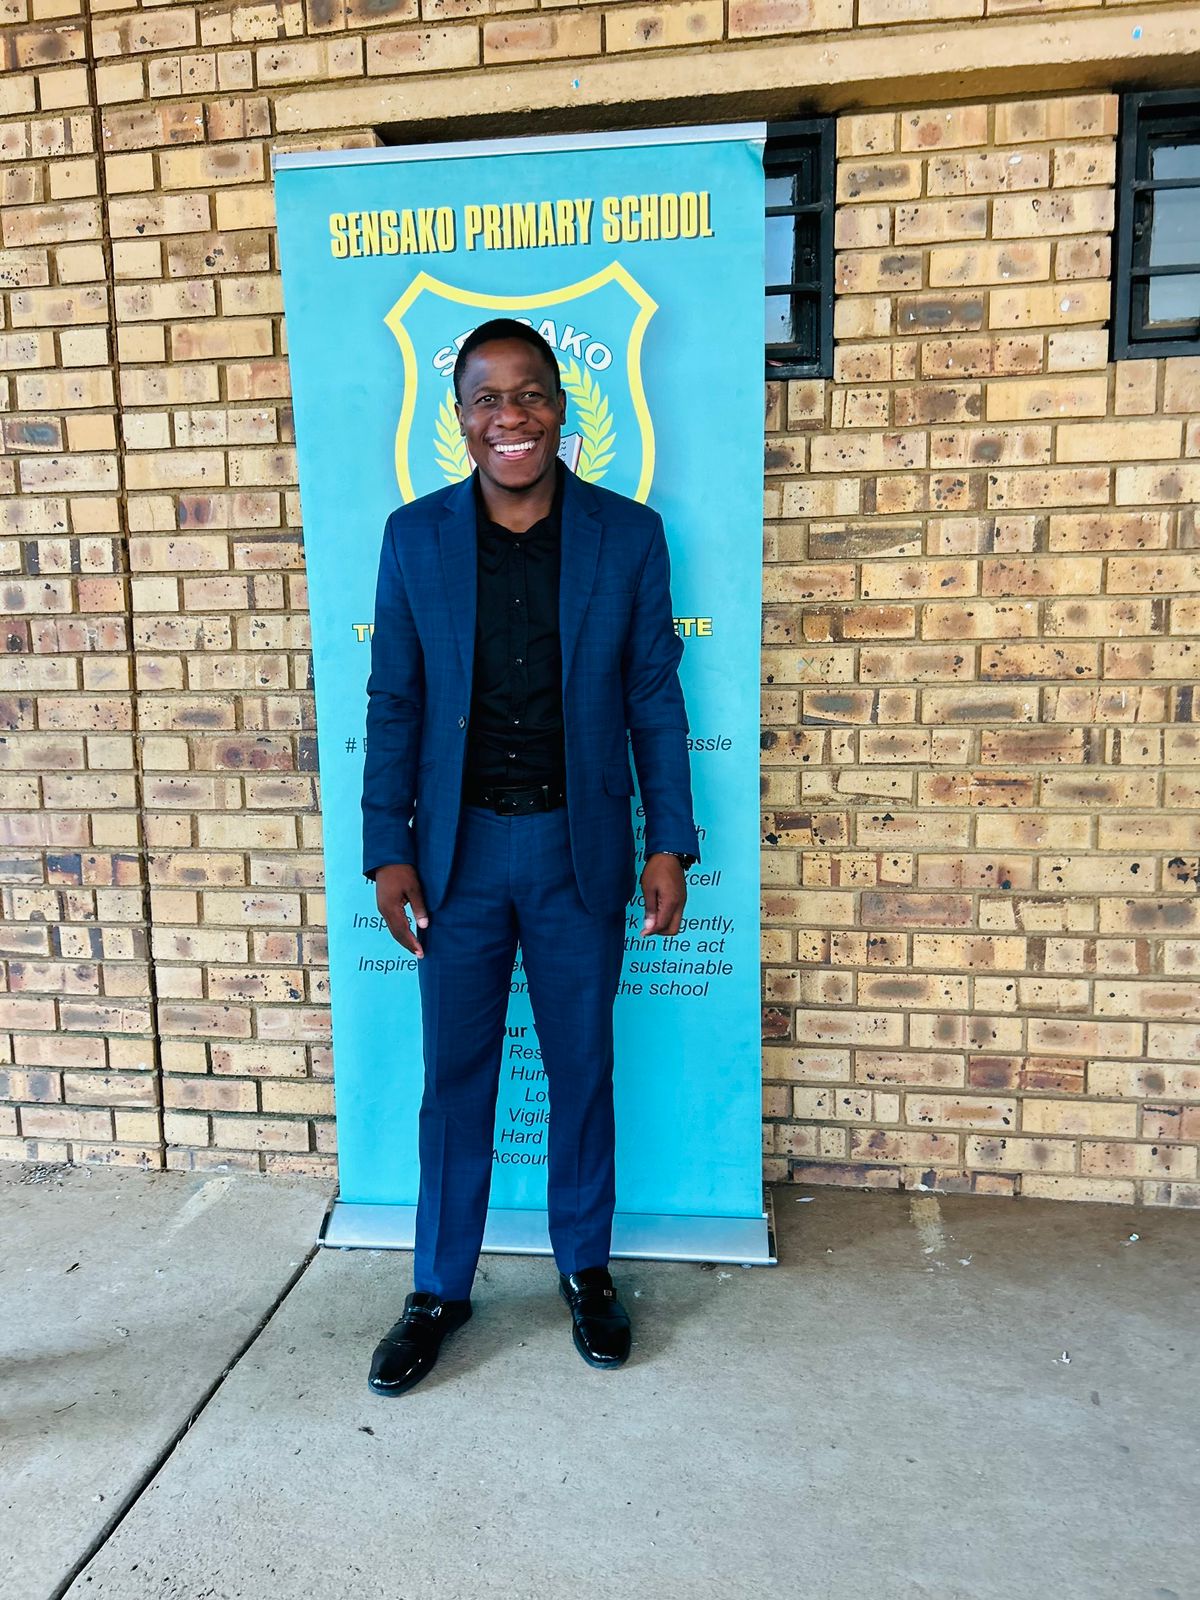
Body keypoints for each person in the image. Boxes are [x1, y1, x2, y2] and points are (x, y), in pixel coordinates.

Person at [361, 318, 699, 1396]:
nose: (510, 417)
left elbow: (652, 696)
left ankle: (586, 1270)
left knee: (581, 1069)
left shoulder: (627, 536)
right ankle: (437, 1289)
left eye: (530, 394)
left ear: (560, 408)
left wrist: (668, 840)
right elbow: (394, 699)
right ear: (460, 417)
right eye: (487, 399)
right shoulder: (414, 538)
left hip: (575, 849)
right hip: (456, 857)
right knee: (454, 1081)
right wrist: (387, 849)